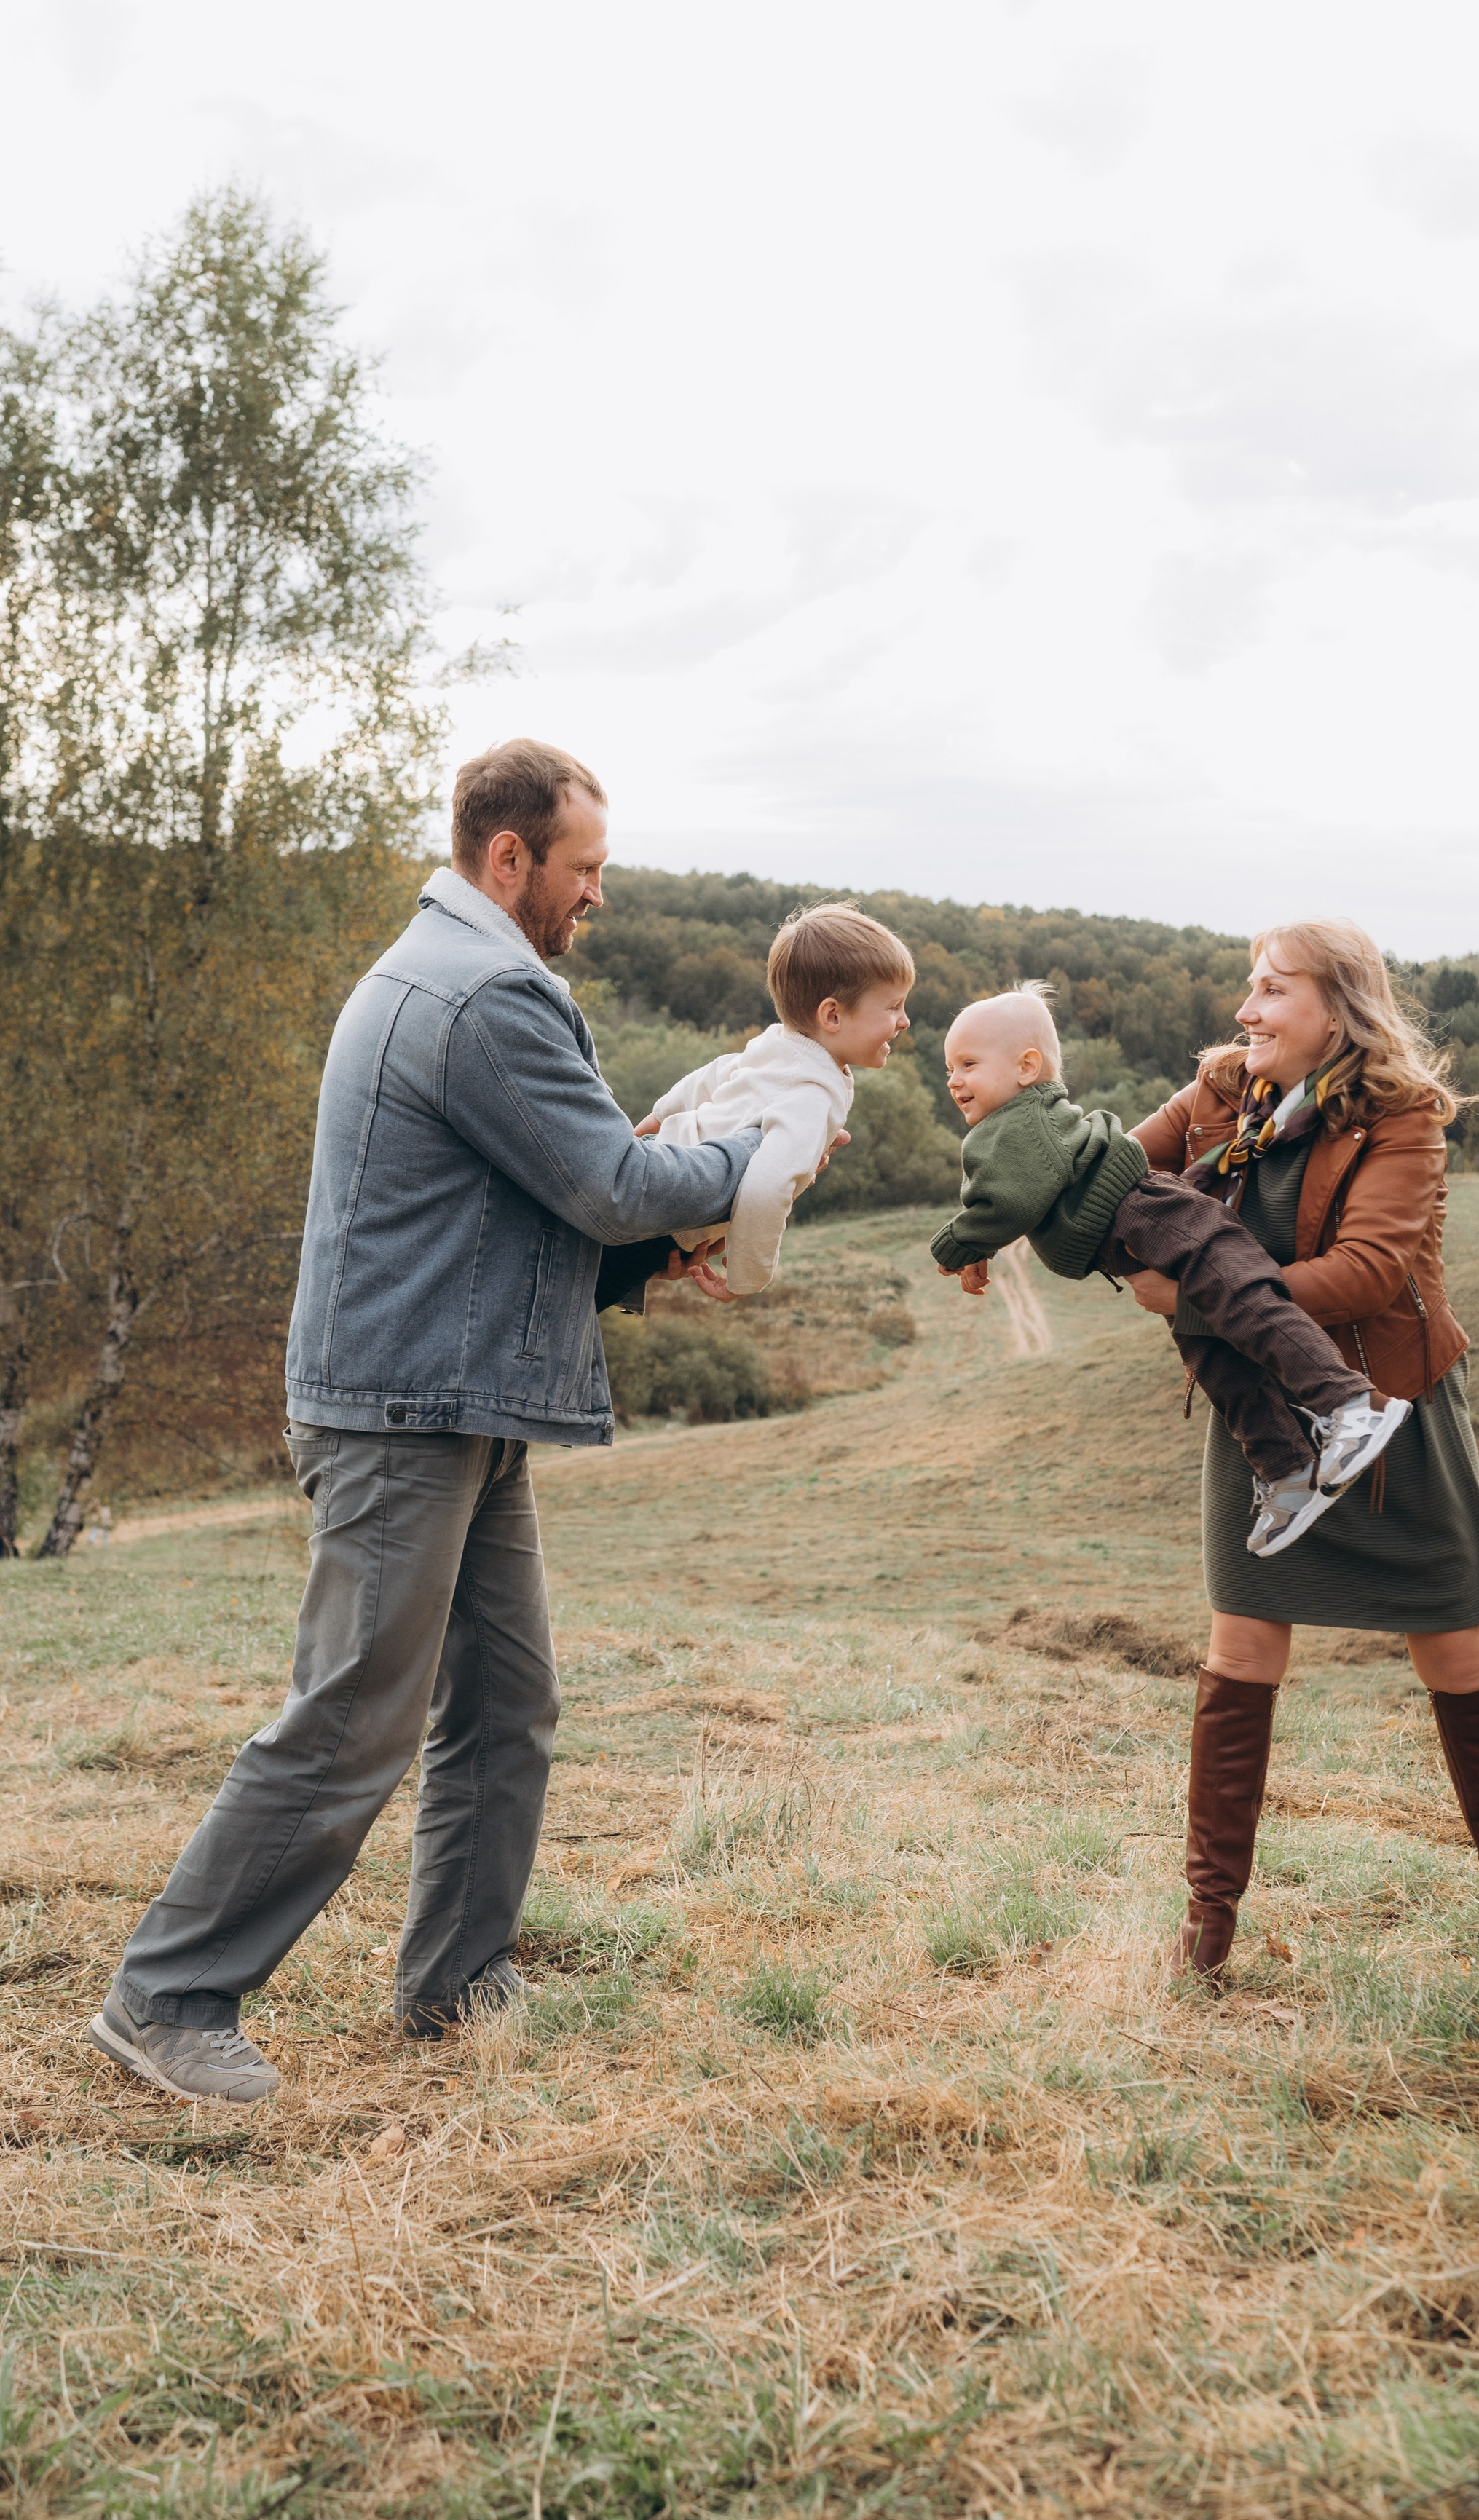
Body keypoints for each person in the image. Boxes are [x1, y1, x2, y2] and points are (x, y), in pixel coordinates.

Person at [89, 739, 769, 2106]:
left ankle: (458, 1977)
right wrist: (758, 1157)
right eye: (583, 871)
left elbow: (528, 1208)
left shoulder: (452, 974)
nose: (595, 898)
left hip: (456, 1397)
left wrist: (645, 1253)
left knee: (506, 1699)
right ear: (507, 857)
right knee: (354, 1714)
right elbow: (611, 1180)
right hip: (406, 1409)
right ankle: (167, 1998)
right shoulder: (485, 995)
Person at [1129, 919, 1479, 1980]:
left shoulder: (1402, 1117)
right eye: (1249, 987)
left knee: (1454, 1653)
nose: (1247, 1010)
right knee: (1241, 1649)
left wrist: (1198, 1296)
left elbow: (1370, 1269)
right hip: (1260, 1414)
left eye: (1273, 989)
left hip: (1389, 1406)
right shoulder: (1219, 1094)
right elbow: (1105, 1179)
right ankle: (1207, 1932)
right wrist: (1007, 1210)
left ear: (1337, 1008)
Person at [931, 990, 1407, 1553]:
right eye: (948, 1069)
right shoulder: (1012, 1122)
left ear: (1027, 1067)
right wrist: (983, 1236)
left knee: (1243, 1299)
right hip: (1132, 1238)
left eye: (967, 1065)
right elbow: (1017, 1194)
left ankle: (1350, 1404)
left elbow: (1012, 1201)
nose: (954, 1081)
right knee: (1217, 1359)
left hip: (1146, 1211)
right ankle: (1287, 1471)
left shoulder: (1017, 1123)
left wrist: (955, 1246)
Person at [641, 904, 915, 1296]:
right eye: (893, 1007)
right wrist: (745, 1279)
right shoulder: (811, 1096)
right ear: (832, 1016)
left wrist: (655, 1119)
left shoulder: (780, 1042)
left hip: (657, 1161)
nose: (904, 1021)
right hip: (662, 1221)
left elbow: (717, 1072)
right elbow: (767, 1188)